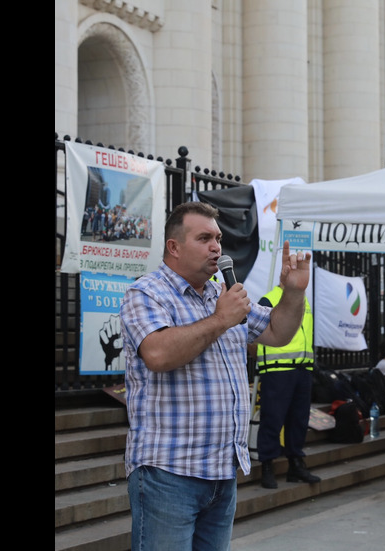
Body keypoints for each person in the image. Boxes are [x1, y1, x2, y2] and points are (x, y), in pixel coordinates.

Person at [120, 201, 311, 551]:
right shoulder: (146, 293)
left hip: (222, 472)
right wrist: (222, 319)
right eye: (204, 238)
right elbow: (158, 354)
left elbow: (277, 333)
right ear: (174, 247)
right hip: (168, 472)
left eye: (219, 238)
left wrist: (294, 292)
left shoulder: (220, 295)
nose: (216, 247)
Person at [251, 285, 320, 490]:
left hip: (302, 368)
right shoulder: (270, 299)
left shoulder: (303, 299)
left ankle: (295, 464)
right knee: (272, 419)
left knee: (298, 420)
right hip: (276, 369)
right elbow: (253, 334)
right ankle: (267, 466)